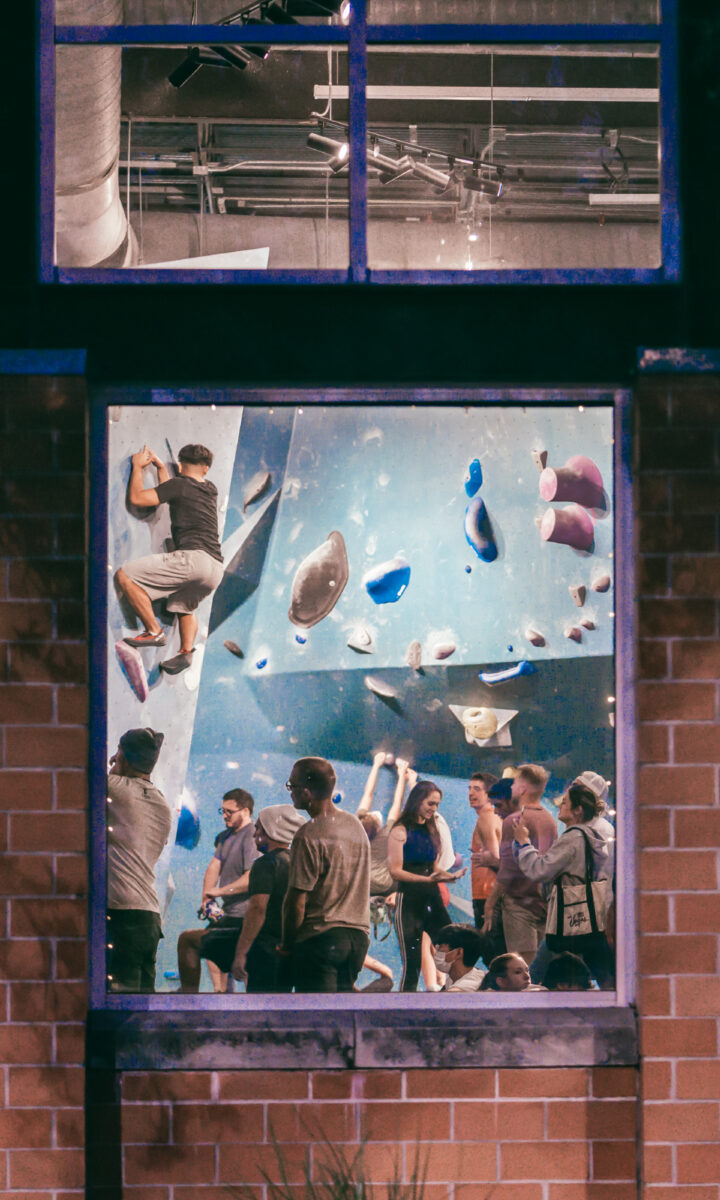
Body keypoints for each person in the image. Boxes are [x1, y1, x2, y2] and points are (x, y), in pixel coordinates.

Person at [115, 442, 224, 674]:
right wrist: (161, 470)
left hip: (193, 560)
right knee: (184, 606)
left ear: (181, 466)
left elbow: (138, 498)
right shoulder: (210, 489)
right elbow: (172, 492)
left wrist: (137, 467)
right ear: (206, 469)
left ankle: (153, 631)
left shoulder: (179, 485)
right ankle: (186, 651)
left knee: (126, 576)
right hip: (215, 568)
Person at [513, 777, 615, 988]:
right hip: (590, 917)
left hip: (568, 918)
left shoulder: (573, 837)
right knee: (603, 978)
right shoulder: (594, 835)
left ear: (578, 810)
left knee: (534, 975)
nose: (560, 805)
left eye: (566, 802)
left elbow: (540, 869)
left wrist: (523, 843)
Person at [280, 757, 371, 992]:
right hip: (357, 940)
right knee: (340, 1011)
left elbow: (296, 901)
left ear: (307, 792)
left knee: (316, 1013)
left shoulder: (308, 834)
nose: (290, 792)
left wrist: (287, 946)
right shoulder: (355, 826)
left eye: (292, 786)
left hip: (321, 938)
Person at [106, 728, 172, 993]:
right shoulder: (162, 803)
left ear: (124, 755)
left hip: (123, 917)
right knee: (143, 1005)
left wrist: (116, 767)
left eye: (119, 751)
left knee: (120, 1003)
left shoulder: (116, 789)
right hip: (149, 918)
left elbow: (81, 782)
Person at [387, 780, 467, 992]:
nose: (434, 809)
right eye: (430, 804)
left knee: (454, 944)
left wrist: (449, 876)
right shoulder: (400, 830)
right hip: (409, 901)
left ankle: (452, 994)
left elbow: (434, 868)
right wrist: (427, 880)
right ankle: (405, 1005)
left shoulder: (432, 829)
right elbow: (395, 871)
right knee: (412, 964)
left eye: (437, 804)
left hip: (433, 899)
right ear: (417, 801)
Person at [177, 788, 258, 991]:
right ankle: (218, 992)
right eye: (223, 811)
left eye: (230, 812)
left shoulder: (252, 837)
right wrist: (207, 900)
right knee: (205, 943)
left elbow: (251, 879)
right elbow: (214, 867)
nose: (225, 816)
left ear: (245, 811)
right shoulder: (225, 837)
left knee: (248, 965)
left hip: (247, 918)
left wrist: (220, 892)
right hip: (231, 915)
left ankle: (251, 998)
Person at [483, 764, 557, 969]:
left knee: (521, 968)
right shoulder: (549, 819)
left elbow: (508, 871)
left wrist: (490, 903)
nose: (512, 786)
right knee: (538, 969)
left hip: (519, 903)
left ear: (523, 788)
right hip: (543, 904)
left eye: (515, 782)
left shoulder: (515, 820)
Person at [231, 804, 306, 992]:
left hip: (266, 951)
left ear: (270, 832)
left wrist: (241, 953)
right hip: (292, 951)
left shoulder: (265, 864)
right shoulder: (299, 863)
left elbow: (258, 908)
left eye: (258, 829)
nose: (254, 835)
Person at [356, 752, 414, 897]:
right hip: (385, 884)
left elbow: (368, 794)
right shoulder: (386, 835)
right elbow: (397, 802)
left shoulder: (356, 826)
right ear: (377, 829)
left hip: (362, 884)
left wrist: (376, 765)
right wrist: (402, 773)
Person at [468, 770, 501, 928]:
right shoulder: (494, 816)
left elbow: (495, 860)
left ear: (489, 794)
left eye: (477, 789)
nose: (471, 793)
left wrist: (489, 904)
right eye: (469, 788)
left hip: (487, 896)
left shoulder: (486, 818)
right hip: (490, 895)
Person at [433, 924, 487, 993]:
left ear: (458, 953)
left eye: (440, 947)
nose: (437, 952)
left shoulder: (460, 990)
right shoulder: (455, 978)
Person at [478, 952, 543, 992]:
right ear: (501, 981)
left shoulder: (539, 991)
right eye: (518, 972)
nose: (527, 976)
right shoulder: (488, 1002)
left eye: (527, 970)